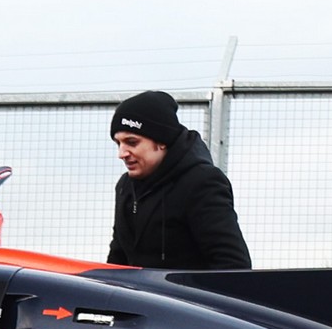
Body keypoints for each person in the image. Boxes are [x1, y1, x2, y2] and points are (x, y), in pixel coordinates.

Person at [105, 90, 252, 270]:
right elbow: (117, 259)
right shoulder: (125, 186)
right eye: (118, 143)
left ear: (162, 141)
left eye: (132, 142)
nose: (122, 153)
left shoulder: (201, 182)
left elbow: (233, 265)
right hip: (136, 289)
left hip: (186, 289)